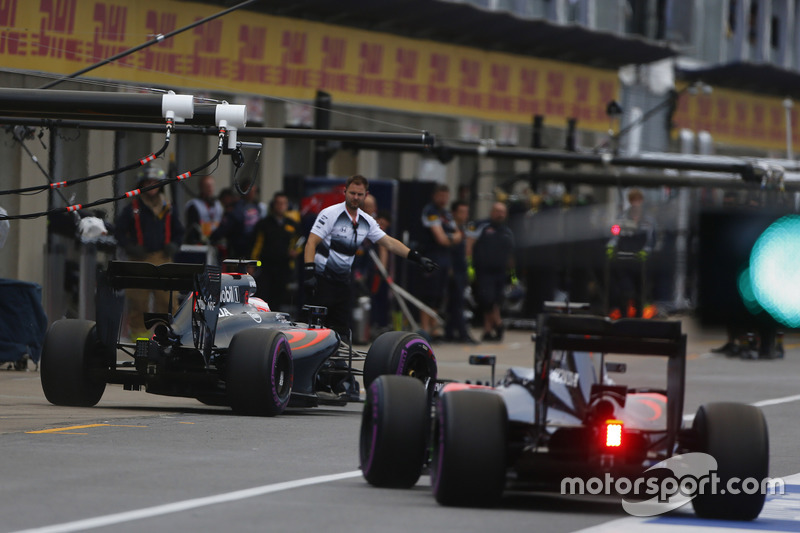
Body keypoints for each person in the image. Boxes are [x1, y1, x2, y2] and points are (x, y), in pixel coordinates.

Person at [303, 174, 437, 339]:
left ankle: (337, 361)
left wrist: (417, 257)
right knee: (317, 327)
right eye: (352, 193)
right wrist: (309, 273)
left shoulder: (366, 221)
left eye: (360, 194)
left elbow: (389, 242)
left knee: (341, 329)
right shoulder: (330, 214)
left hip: (344, 282)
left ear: (366, 195)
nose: (355, 197)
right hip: (322, 279)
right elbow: (311, 242)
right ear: (345, 192)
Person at [114, 164, 185, 340]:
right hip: (139, 261)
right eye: (148, 182)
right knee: (138, 302)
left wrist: (175, 245)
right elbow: (119, 232)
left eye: (155, 181)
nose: (151, 185)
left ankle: (167, 337)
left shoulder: (168, 207)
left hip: (163, 259)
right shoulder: (133, 208)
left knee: (167, 301)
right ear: (141, 184)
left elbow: (179, 231)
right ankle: (140, 339)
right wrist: (130, 247)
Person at [418, 184, 462, 339]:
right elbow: (440, 238)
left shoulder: (447, 214)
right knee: (428, 293)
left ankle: (434, 326)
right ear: (434, 196)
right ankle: (424, 327)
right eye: (440, 195)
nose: (443, 199)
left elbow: (458, 234)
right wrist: (450, 238)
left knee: (439, 294)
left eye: (446, 196)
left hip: (445, 258)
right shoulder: (430, 211)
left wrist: (449, 238)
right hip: (432, 256)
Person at [605, 188, 657, 319]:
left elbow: (652, 240)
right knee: (625, 292)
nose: (635, 203)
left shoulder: (649, 221)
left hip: (640, 263)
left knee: (640, 293)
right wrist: (610, 247)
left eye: (638, 200)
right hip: (623, 259)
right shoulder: (621, 218)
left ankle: (638, 320)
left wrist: (646, 252)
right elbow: (614, 235)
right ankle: (623, 318)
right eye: (633, 200)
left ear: (642, 201)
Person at [471, 201, 514, 342]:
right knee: (487, 299)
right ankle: (499, 324)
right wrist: (469, 268)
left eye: (502, 212)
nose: (500, 214)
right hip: (484, 270)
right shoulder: (481, 226)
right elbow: (469, 246)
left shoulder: (507, 232)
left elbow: (511, 256)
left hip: (500, 272)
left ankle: (488, 330)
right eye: (497, 211)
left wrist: (513, 276)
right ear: (491, 212)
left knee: (495, 301)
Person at [250, 191, 299, 311]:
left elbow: (300, 242)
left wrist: (296, 251)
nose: (281, 206)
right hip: (265, 266)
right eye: (278, 203)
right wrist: (252, 263)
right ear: (273, 205)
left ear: (287, 205)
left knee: (280, 299)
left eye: (283, 203)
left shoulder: (292, 224)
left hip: (284, 266)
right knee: (264, 297)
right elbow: (256, 245)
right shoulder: (263, 224)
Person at [445, 200, 477, 344]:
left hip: (462, 268)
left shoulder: (465, 228)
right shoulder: (450, 228)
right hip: (453, 268)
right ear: (454, 213)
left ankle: (450, 332)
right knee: (456, 302)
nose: (465, 215)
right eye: (461, 212)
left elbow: (467, 251)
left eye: (466, 212)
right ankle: (462, 333)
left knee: (457, 301)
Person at [184, 175, 223, 245]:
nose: (210, 189)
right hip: (199, 243)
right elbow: (192, 228)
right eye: (207, 186)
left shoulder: (218, 204)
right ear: (201, 188)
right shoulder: (194, 205)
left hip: (215, 242)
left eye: (211, 186)